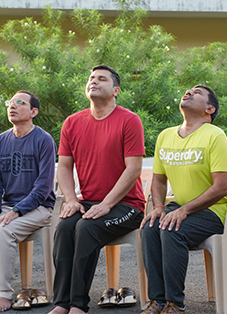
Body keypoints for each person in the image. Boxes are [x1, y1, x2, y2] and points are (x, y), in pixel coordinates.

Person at [49, 65, 145, 314]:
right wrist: (71, 200)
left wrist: (107, 204)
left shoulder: (129, 120)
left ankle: (78, 305)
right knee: (65, 227)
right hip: (89, 201)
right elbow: (64, 166)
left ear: (116, 90)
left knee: (86, 227)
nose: (94, 81)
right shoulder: (72, 122)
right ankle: (62, 303)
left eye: (102, 79)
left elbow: (134, 169)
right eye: (91, 78)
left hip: (127, 205)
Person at [140, 85, 227, 314]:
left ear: (209, 109)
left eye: (198, 92)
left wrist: (184, 211)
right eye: (188, 91)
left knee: (172, 229)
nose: (189, 92)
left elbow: (221, 188)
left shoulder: (215, 135)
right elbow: (159, 179)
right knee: (150, 227)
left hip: (216, 209)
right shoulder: (165, 136)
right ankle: (158, 301)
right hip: (182, 206)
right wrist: (159, 206)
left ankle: (175, 304)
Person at [0, 91, 56, 313]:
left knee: (3, 230)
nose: (13, 106)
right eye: (10, 102)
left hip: (39, 207)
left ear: (33, 111)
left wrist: (17, 211)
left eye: (20, 103)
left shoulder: (44, 140)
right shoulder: (0, 141)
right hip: (8, 206)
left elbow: (43, 187)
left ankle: (5, 294)